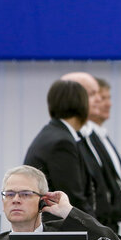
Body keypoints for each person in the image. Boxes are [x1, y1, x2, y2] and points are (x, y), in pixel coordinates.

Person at [0, 165, 121, 240]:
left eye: (25, 194)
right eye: (9, 194)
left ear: (42, 200)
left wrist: (68, 211)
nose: (16, 200)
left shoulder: (67, 237)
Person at [23, 80, 95, 215]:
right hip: (59, 230)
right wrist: (97, 229)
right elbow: (73, 201)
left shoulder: (53, 133)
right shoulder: (62, 143)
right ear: (82, 105)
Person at [61, 72, 121, 232]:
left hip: (103, 223)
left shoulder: (94, 136)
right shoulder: (68, 140)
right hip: (84, 227)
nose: (102, 102)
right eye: (93, 95)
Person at [88, 77, 121, 232]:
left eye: (108, 98)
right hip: (97, 221)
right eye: (102, 98)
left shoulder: (102, 136)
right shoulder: (84, 139)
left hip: (110, 221)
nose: (107, 103)